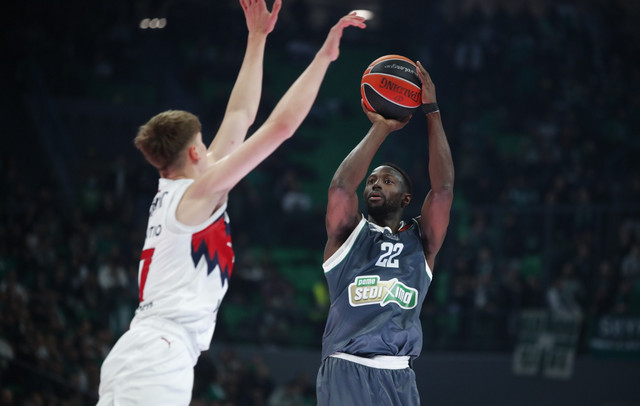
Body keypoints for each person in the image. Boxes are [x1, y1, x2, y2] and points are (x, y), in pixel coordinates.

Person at [96, 0, 367, 403]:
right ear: (193, 153)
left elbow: (240, 114)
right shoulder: (199, 193)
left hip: (152, 352)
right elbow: (280, 127)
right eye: (203, 143)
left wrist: (257, 39)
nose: (212, 148)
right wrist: (323, 58)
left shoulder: (186, 190)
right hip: (156, 355)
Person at [316, 61, 454, 405]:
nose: (375, 184)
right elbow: (341, 188)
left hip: (400, 375)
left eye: (387, 181)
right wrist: (381, 127)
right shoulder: (349, 234)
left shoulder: (422, 241)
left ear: (406, 198)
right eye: (372, 181)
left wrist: (432, 112)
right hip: (347, 366)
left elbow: (443, 190)